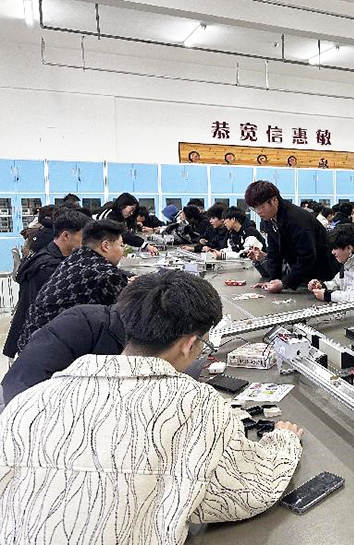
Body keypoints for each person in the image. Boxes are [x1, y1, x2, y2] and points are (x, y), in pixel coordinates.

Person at [0, 270, 305, 544]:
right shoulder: (197, 406)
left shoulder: (30, 402)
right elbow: (245, 493)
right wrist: (283, 441)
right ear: (189, 343)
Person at [16, 219, 130, 353]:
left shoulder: (73, 259)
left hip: (31, 343)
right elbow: (127, 316)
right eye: (121, 245)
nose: (123, 251)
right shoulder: (108, 275)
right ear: (105, 246)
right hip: (56, 353)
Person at [3, 209, 90, 359]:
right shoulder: (49, 268)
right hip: (37, 342)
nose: (86, 243)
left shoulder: (48, 255)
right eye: (83, 237)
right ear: (66, 236)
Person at [244, 181, 336, 293]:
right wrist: (273, 281)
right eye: (255, 208)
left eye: (261, 207)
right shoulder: (269, 219)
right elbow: (274, 253)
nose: (258, 212)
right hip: (302, 276)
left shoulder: (297, 219)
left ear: (274, 201)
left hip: (323, 275)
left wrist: (284, 283)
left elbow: (307, 256)